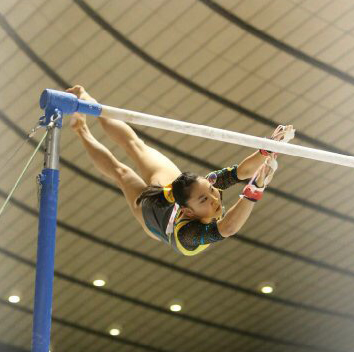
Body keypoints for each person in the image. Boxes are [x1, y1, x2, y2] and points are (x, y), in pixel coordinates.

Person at [66, 85, 294, 256]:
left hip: (151, 217)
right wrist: (256, 188)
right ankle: (88, 103)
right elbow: (228, 227)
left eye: (211, 191)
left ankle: (81, 130)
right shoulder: (191, 231)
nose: (215, 198)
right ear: (187, 211)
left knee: (121, 172)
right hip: (165, 192)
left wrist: (267, 149)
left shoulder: (193, 221)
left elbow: (241, 172)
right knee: (133, 146)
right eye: (205, 198)